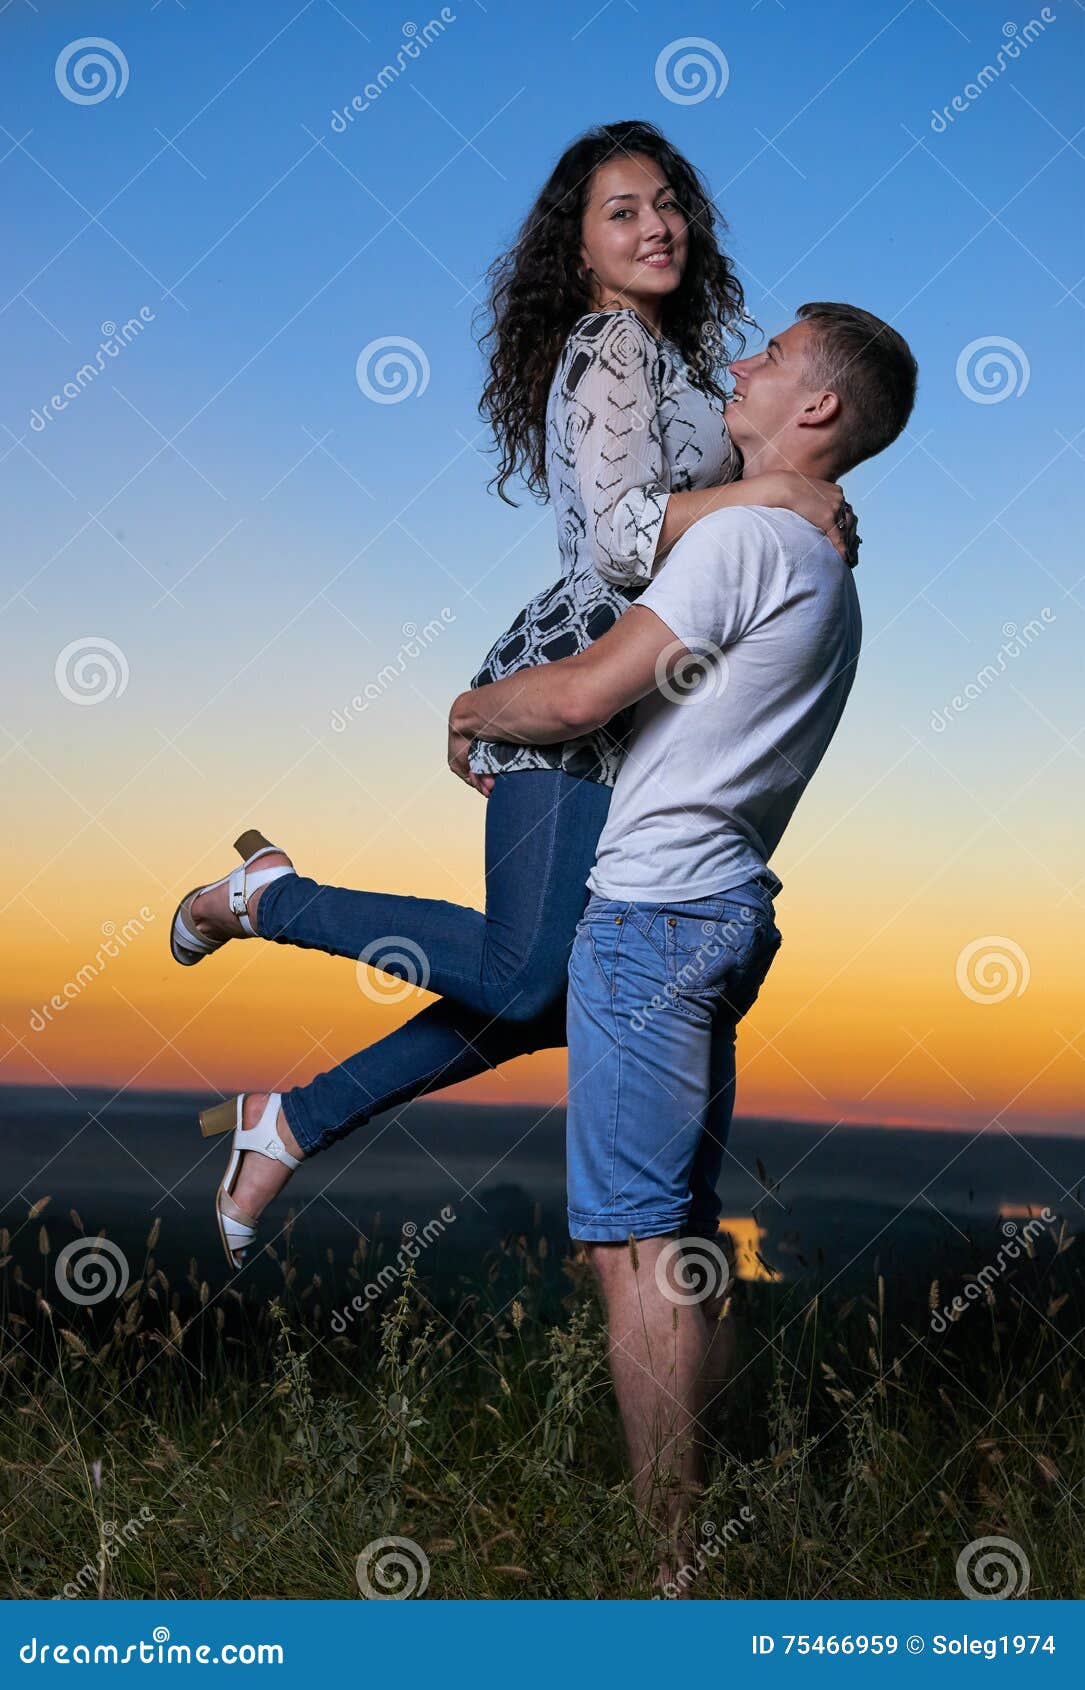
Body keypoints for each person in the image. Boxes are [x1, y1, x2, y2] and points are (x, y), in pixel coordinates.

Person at [168, 120, 856, 1270]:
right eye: (622, 210)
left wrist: (795, 492)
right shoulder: (607, 346)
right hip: (569, 684)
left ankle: (289, 1118)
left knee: (541, 997)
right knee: (530, 973)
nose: (656, 224)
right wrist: (780, 487)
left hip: (628, 708)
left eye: (668, 201)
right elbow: (625, 539)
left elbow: (733, 517)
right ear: (578, 250)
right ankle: (264, 896)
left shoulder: (675, 366)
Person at [449, 301, 918, 1583]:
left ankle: (673, 1576)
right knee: (679, 1233)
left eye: (771, 357)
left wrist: (468, 705)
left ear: (816, 408)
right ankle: (698, 1549)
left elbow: (588, 690)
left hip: (654, 920)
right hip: (723, 911)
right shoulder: (820, 563)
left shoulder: (750, 542)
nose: (740, 362)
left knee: (634, 1246)